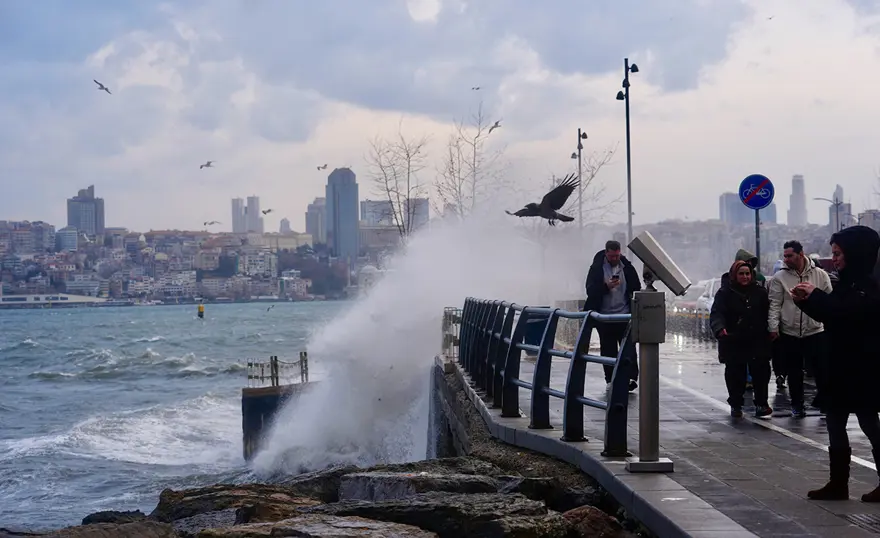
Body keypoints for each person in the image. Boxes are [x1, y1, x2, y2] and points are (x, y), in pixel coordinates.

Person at [792, 226, 880, 502]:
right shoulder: (847, 282)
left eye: (839, 253)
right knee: (835, 421)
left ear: (855, 253)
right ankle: (838, 483)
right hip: (840, 366)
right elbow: (834, 316)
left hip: (861, 367)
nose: (836, 259)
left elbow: (848, 313)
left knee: (869, 424)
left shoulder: (868, 285)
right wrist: (807, 302)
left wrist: (816, 296)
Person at [767, 240, 832, 418]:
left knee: (821, 370)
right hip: (790, 331)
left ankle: (825, 403)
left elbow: (829, 301)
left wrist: (830, 324)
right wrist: (773, 328)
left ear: (801, 254)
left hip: (815, 330)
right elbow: (774, 304)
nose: (786, 259)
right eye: (785, 256)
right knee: (794, 372)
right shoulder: (779, 278)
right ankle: (797, 405)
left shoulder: (820, 275)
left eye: (790, 256)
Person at [710, 260, 773, 419]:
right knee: (735, 374)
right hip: (733, 339)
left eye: (747, 273)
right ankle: (736, 404)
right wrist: (719, 328)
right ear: (734, 275)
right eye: (741, 274)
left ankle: (761, 404)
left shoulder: (759, 292)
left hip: (756, 339)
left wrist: (772, 329)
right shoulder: (725, 293)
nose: (745, 277)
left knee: (761, 373)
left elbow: (769, 312)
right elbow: (717, 313)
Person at [584, 240, 641, 391]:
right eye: (611, 256)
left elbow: (636, 288)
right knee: (608, 350)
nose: (614, 259)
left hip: (625, 315)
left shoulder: (627, 268)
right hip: (604, 317)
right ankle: (611, 379)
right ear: (606, 253)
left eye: (617, 255)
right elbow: (590, 290)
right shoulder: (597, 268)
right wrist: (606, 287)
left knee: (629, 349)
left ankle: (630, 378)